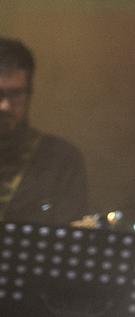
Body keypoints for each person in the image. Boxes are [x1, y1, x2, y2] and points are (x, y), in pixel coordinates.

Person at [0, 37, 88, 225]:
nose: (5, 106)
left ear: (29, 93)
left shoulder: (61, 159)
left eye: (16, 94)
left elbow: (69, 242)